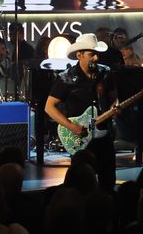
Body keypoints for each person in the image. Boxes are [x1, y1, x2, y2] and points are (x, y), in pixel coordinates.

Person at [44, 32, 116, 192]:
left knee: (108, 180)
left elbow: (114, 98)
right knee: (81, 183)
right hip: (81, 137)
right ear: (79, 55)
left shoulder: (105, 73)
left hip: (103, 134)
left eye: (97, 54)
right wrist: (71, 126)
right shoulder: (65, 78)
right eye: (92, 54)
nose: (96, 58)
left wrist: (115, 109)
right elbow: (49, 107)